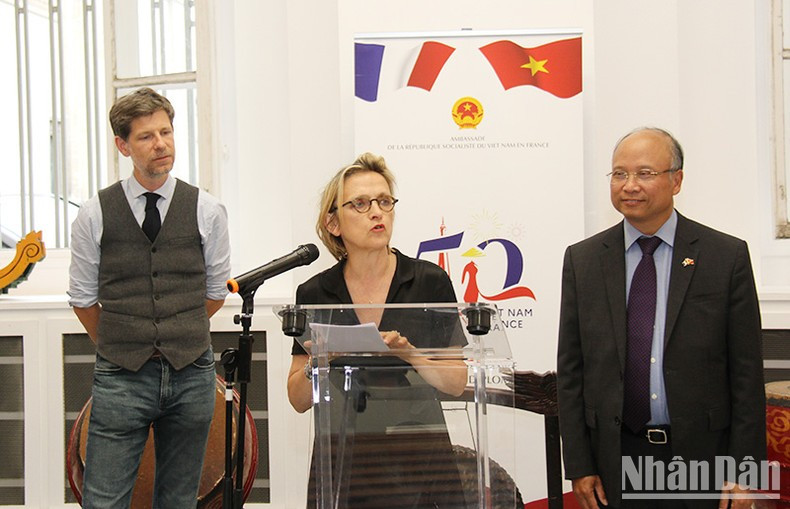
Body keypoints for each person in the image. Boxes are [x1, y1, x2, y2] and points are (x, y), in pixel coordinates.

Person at [557, 127, 766, 509]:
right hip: (616, 459)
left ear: (677, 180)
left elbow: (747, 374)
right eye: (619, 174)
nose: (629, 185)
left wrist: (746, 473)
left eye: (645, 173)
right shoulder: (583, 260)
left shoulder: (725, 257)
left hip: (702, 458)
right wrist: (578, 464)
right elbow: (572, 371)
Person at [68, 87, 231, 508]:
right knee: (103, 500)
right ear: (123, 145)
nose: (161, 144)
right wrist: (122, 343)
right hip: (121, 377)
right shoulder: (95, 213)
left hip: (192, 372)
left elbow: (214, 293)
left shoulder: (207, 209)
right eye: (146, 136)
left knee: (178, 500)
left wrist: (178, 332)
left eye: (166, 132)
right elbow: (83, 299)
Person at [286, 153, 468, 508]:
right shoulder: (315, 294)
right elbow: (296, 400)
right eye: (360, 203)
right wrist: (319, 361)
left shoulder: (429, 282)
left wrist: (409, 354)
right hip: (345, 458)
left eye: (385, 201)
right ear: (333, 223)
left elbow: (457, 382)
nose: (377, 212)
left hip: (420, 454)